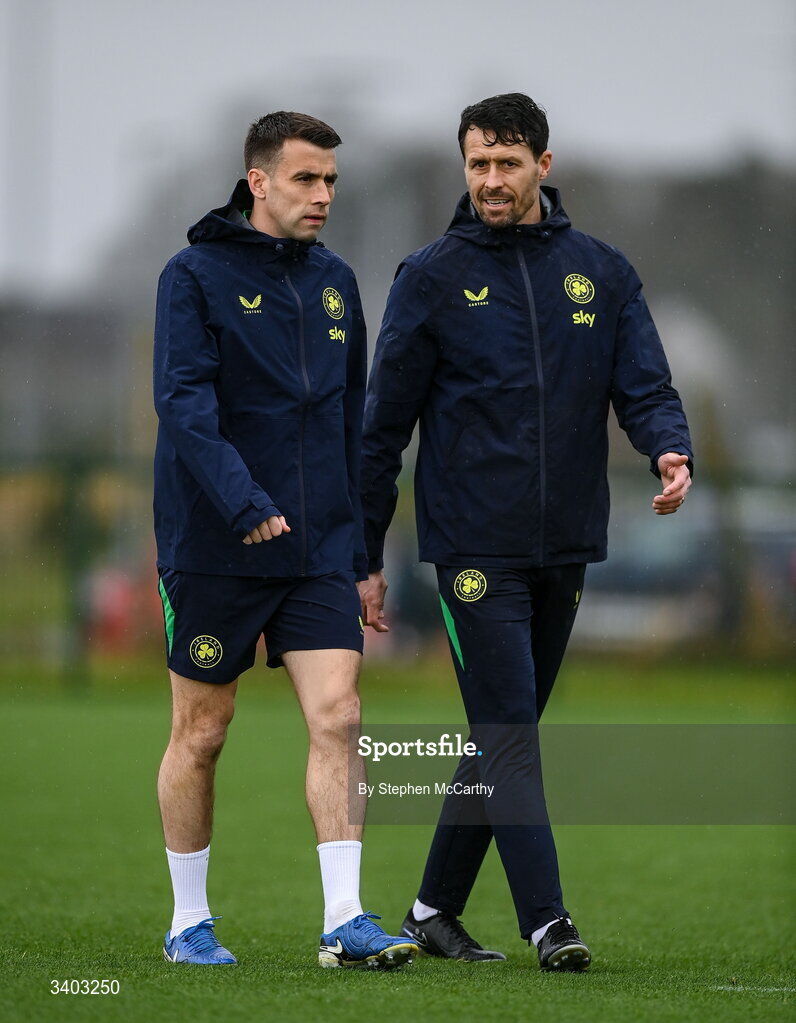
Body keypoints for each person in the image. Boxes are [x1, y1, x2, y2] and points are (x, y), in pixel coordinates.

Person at [358, 93, 693, 971]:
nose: (491, 180)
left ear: (544, 164)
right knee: (509, 733)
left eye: (507, 163)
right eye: (477, 164)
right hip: (473, 547)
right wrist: (364, 556)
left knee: (498, 736)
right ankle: (549, 920)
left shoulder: (603, 272)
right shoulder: (429, 276)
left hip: (568, 541)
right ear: (463, 168)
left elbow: (645, 383)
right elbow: (381, 427)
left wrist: (669, 448)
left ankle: (432, 906)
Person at [153, 111, 416, 970]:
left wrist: (362, 551)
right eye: (306, 179)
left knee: (339, 714)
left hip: (316, 550)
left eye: (332, 181)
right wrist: (243, 502)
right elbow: (184, 406)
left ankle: (345, 917)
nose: (324, 196)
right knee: (204, 730)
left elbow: (353, 424)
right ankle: (189, 921)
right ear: (258, 182)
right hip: (217, 543)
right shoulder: (191, 276)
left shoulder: (338, 282)